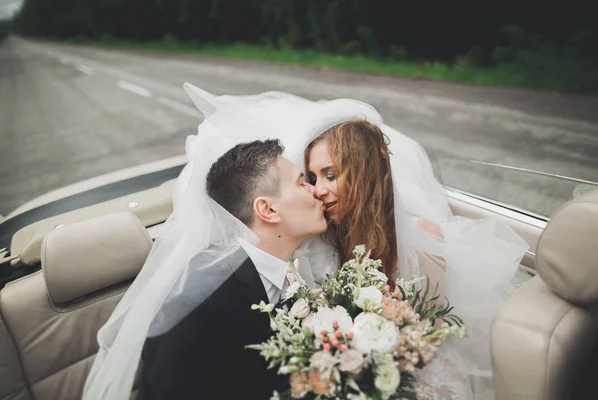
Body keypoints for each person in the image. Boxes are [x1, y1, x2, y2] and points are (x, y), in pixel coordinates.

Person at [83, 84, 529, 399]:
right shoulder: (302, 255)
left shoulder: (408, 242)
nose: (318, 190)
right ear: (267, 210)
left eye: (329, 175)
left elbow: (431, 335)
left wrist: (378, 363)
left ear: (368, 170)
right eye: (309, 179)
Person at [137, 139, 327, 399]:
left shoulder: (281, 271)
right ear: (268, 209)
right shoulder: (199, 304)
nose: (316, 191)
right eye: (301, 182)